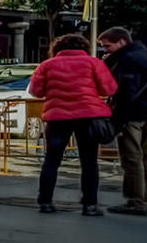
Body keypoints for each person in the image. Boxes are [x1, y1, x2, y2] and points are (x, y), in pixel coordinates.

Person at [28, 32, 117, 216]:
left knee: (52, 160)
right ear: (84, 47)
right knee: (89, 161)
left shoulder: (46, 65)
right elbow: (109, 89)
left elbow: (36, 92)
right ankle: (90, 205)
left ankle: (45, 202)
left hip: (57, 117)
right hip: (88, 116)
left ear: (57, 48)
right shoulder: (94, 63)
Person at [99, 26, 147, 216]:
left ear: (121, 42)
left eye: (107, 46)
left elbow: (127, 92)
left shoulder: (129, 60)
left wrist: (117, 122)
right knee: (144, 157)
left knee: (131, 158)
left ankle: (136, 201)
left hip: (133, 113)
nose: (105, 50)